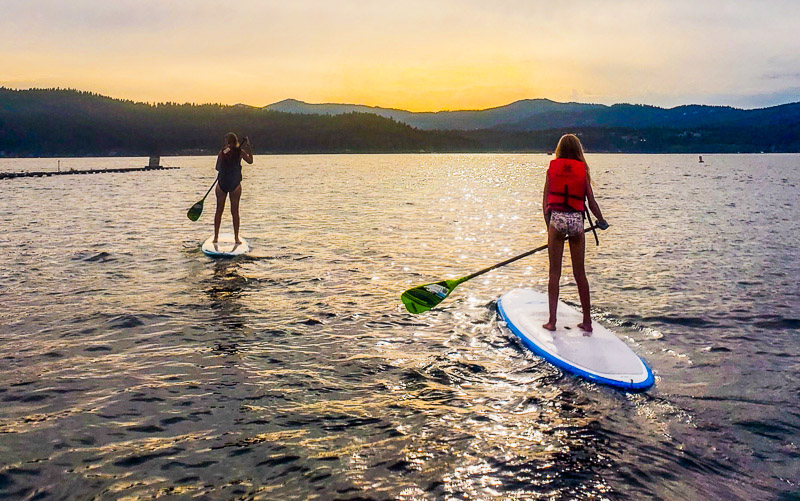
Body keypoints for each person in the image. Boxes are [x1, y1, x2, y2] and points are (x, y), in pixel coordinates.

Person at [541, 134, 608, 332]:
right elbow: (591, 202)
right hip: (577, 222)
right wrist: (601, 221)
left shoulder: (551, 170)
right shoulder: (583, 171)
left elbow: (545, 204)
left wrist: (550, 229)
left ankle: (552, 322)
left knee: (555, 273)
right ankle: (587, 322)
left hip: (557, 222)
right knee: (580, 274)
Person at [213, 132, 253, 244]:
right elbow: (250, 161)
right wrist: (249, 147)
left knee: (219, 210)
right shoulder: (240, 151)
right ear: (235, 141)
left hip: (222, 182)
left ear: (227, 141)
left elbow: (217, 167)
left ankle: (216, 237)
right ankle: (236, 238)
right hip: (235, 183)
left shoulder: (222, 152)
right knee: (235, 211)